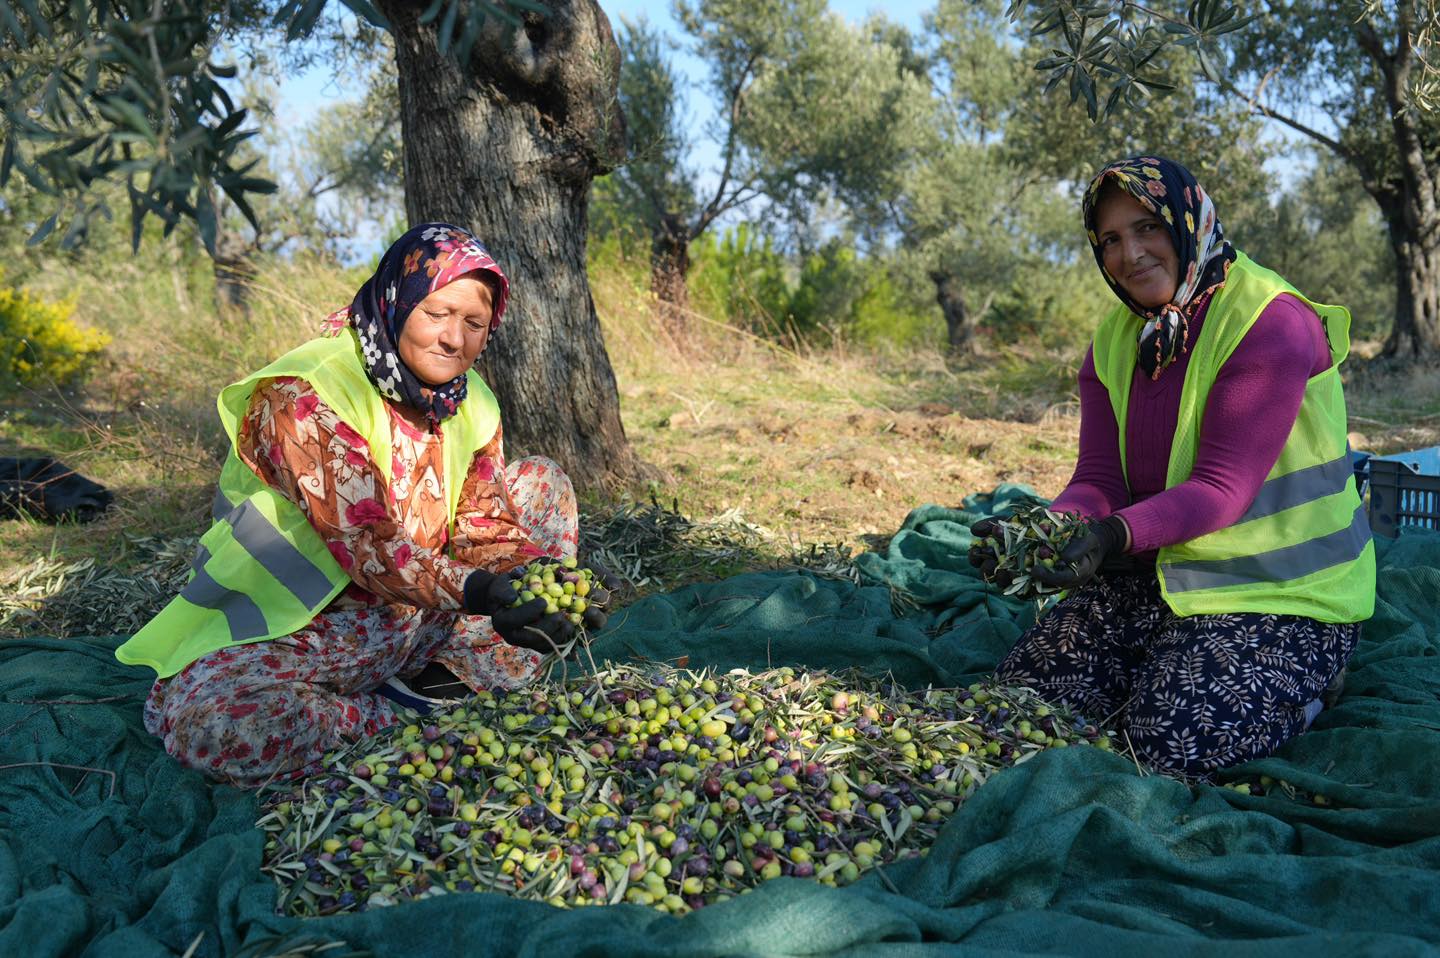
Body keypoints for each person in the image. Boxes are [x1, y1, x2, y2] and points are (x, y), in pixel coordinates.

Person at [116, 223, 616, 787]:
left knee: (542, 482)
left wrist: (534, 579)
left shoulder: (468, 398)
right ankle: (413, 717)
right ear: (399, 300)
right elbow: (368, 543)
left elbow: (485, 526)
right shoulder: (307, 395)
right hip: (303, 627)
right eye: (436, 313)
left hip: (418, 618)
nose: (454, 339)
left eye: (474, 323)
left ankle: (448, 681)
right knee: (217, 726)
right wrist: (485, 592)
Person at [970, 156, 1375, 778]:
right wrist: (1041, 532)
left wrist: (1111, 536)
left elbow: (1222, 489)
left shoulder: (1267, 322)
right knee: (1021, 707)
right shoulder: (1115, 339)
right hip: (1161, 578)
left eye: (1146, 228)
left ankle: (1316, 686)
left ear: (1187, 223)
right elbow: (1098, 481)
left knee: (1167, 745)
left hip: (1283, 592)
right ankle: (1166, 659)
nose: (1129, 254)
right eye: (1109, 240)